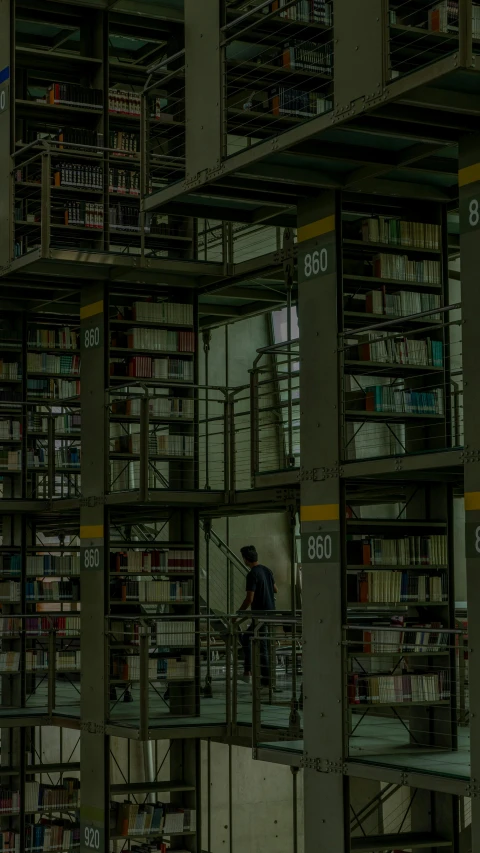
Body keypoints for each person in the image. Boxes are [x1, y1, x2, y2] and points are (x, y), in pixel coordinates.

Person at [238, 545, 277, 687]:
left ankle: (265, 680)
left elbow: (249, 599)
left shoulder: (252, 574)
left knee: (262, 646)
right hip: (270, 613)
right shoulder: (267, 570)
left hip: (260, 615)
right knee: (247, 638)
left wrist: (238, 614)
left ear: (245, 559)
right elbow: (275, 589)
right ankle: (248, 671)